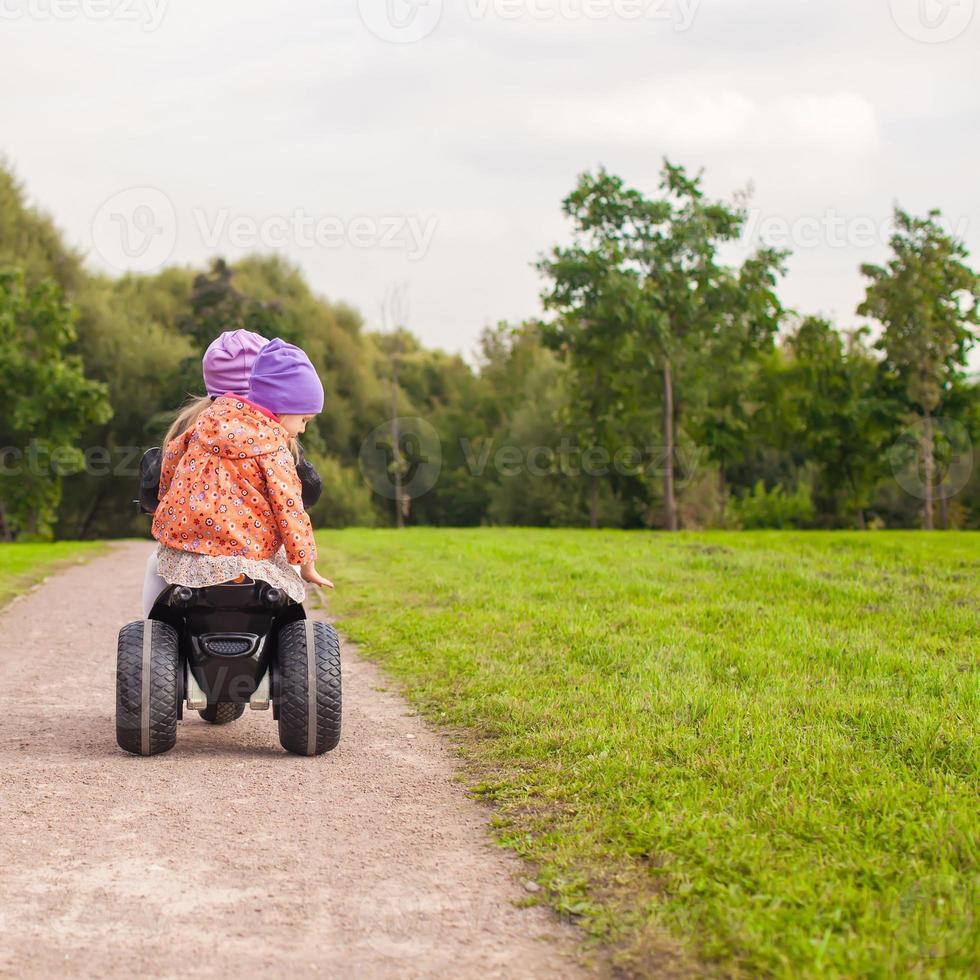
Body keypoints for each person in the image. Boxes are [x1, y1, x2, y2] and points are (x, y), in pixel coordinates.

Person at [144, 338, 332, 617]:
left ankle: (153, 631)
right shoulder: (273, 443)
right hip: (251, 553)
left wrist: (166, 499)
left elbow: (170, 457)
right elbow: (290, 505)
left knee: (155, 567)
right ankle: (288, 640)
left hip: (188, 549)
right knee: (287, 590)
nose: (302, 429)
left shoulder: (202, 422)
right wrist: (306, 563)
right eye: (304, 420)